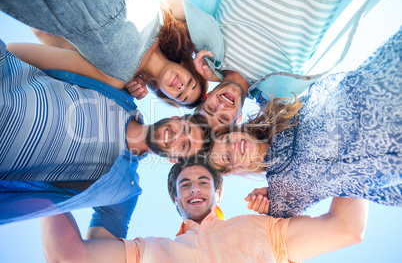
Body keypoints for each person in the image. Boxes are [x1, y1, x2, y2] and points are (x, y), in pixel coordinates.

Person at [0, 38, 211, 237]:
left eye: (184, 145)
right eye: (184, 128)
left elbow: (94, 253)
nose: (177, 136)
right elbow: (21, 53)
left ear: (173, 159)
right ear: (175, 117)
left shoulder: (122, 190)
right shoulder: (117, 88)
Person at [208, 27, 402, 218]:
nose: (232, 146)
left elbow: (246, 75)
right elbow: (287, 230)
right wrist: (270, 206)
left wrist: (210, 74)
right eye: (226, 156)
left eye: (226, 139)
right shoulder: (282, 190)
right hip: (390, 140)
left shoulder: (274, 110)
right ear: (235, 169)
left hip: (382, 78)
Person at [40, 157, 368, 263]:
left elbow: (345, 228)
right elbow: (68, 256)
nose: (194, 188)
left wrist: (354, 154)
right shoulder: (147, 251)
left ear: (217, 193)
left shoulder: (263, 228)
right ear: (176, 200)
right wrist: (40, 179)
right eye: (184, 185)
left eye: (202, 182)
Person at [184, 0, 383, 128]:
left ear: (206, 95)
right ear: (239, 118)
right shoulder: (280, 91)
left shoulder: (208, 47)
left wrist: (200, 64)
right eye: (225, 118)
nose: (220, 107)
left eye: (210, 108)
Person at [0, 0, 208, 108]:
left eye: (181, 95)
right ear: (186, 66)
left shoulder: (117, 79)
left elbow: (20, 50)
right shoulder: (167, 18)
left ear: (165, 94)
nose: (182, 87)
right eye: (190, 83)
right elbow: (210, 3)